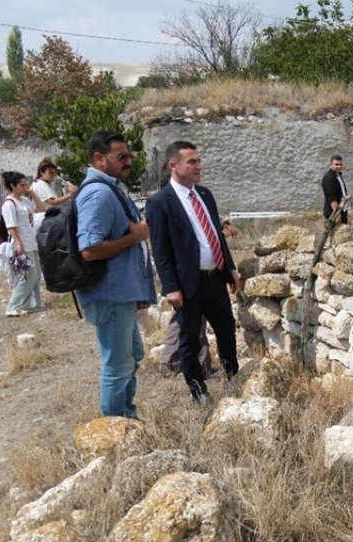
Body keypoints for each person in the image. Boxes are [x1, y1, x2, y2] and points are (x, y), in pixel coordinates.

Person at [147, 140, 240, 403]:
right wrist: (170, 287)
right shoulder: (160, 202)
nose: (199, 166)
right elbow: (161, 250)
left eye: (199, 161)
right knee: (190, 340)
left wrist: (230, 268)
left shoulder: (205, 195)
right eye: (192, 162)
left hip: (215, 278)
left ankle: (234, 378)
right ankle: (198, 392)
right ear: (173, 165)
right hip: (188, 284)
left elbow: (217, 237)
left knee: (226, 329)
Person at [76, 131, 156, 418]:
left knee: (132, 356)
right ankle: (113, 430)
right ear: (99, 159)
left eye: (129, 155)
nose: (128, 161)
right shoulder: (98, 193)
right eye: (121, 156)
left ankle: (127, 416)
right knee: (118, 364)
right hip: (109, 293)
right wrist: (134, 237)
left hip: (121, 292)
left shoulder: (111, 188)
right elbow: (89, 248)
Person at [0, 171, 45, 317]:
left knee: (36, 275)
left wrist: (33, 194)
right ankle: (14, 305)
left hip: (31, 242)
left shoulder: (24, 201)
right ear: (13, 186)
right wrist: (19, 244)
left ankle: (34, 304)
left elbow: (41, 209)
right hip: (21, 244)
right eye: (22, 185)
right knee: (27, 276)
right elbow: (11, 226)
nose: (25, 187)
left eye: (26, 184)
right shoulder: (9, 203)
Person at [31, 159, 76, 229]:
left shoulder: (45, 184)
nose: (53, 175)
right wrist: (69, 195)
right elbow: (52, 202)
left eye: (54, 173)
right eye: (50, 173)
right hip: (43, 220)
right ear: (42, 172)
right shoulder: (39, 185)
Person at [321, 154, 349, 226]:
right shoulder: (329, 178)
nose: (339, 166)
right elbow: (332, 198)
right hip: (333, 213)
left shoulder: (338, 175)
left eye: (340, 164)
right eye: (336, 164)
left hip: (341, 211)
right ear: (331, 165)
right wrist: (337, 214)